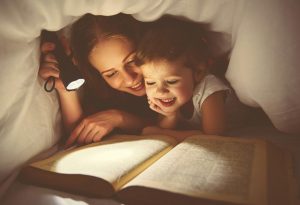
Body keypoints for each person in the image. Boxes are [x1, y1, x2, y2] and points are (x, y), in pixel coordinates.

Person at [39, 14, 156, 147]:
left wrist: (120, 118)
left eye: (132, 61)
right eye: (111, 74)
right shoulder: (105, 94)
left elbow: (176, 125)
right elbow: (81, 134)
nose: (130, 80)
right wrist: (66, 89)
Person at [135, 16, 230, 141]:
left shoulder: (210, 90)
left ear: (198, 72)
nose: (160, 91)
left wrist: (161, 133)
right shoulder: (170, 98)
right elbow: (163, 128)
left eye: (171, 81)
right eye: (150, 82)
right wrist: (170, 115)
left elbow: (214, 138)